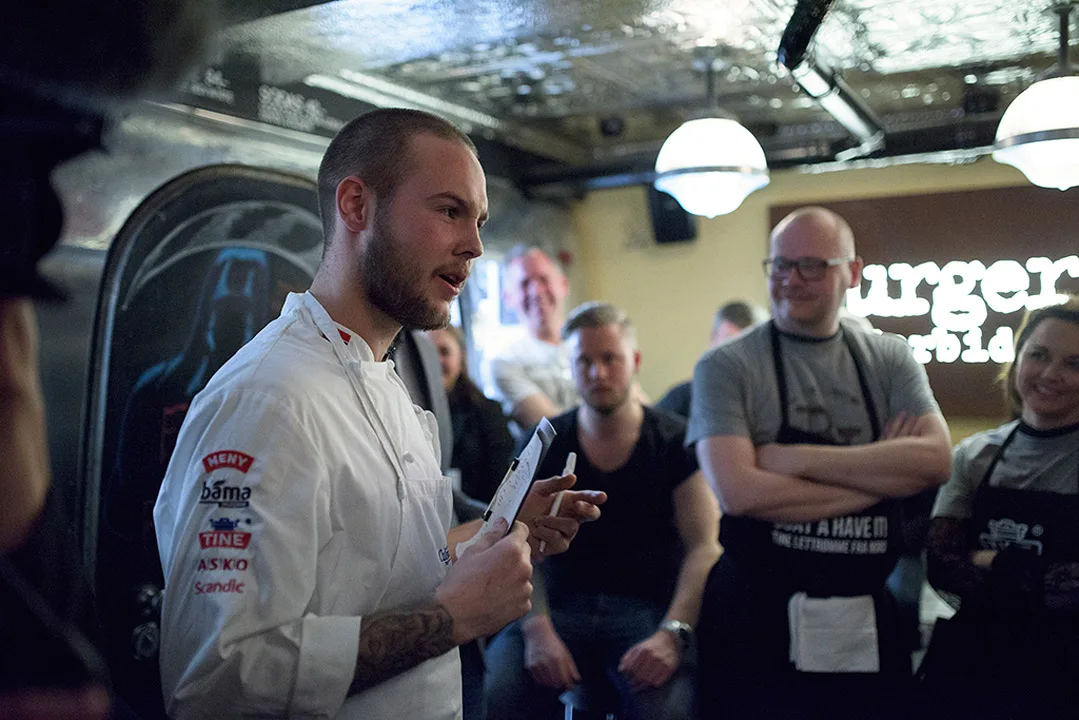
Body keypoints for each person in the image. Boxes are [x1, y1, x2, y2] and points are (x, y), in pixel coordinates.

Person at [153, 108, 605, 719]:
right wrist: (452, 618)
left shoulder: (385, 385)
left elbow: (384, 574)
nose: (473, 246)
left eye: (477, 221)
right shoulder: (267, 400)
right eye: (449, 211)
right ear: (356, 206)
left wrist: (498, 530)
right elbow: (216, 680)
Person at [688, 206, 952, 719]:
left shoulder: (890, 358)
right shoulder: (727, 365)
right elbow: (740, 493)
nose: (792, 280)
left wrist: (793, 459)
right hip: (754, 613)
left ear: (852, 272)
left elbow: (937, 462)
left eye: (812, 265)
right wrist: (882, 479)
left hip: (864, 609)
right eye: (781, 265)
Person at [486, 302, 721, 720]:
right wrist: (537, 629)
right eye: (584, 361)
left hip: (645, 613)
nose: (598, 372)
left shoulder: (674, 441)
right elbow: (511, 538)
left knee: (669, 711)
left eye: (610, 358)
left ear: (635, 361)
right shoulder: (544, 442)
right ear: (571, 367)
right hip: (555, 606)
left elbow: (704, 547)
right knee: (497, 694)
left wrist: (672, 634)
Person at [920, 296, 1079, 718]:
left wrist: (990, 561)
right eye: (1038, 355)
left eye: (1073, 364)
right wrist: (1041, 573)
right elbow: (941, 566)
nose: (1051, 374)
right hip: (974, 673)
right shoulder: (974, 455)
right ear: (1018, 357)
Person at [490, 246, 578, 430]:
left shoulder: (588, 345)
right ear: (507, 297)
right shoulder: (505, 362)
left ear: (564, 285)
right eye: (524, 283)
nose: (536, 291)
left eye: (544, 279)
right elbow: (551, 430)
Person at [427, 325, 514, 504]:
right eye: (428, 353)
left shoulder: (489, 413)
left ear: (462, 358)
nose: (435, 361)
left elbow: (502, 486)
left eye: (444, 352)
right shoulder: (403, 413)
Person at [656, 300, 765, 418]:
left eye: (749, 347)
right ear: (713, 340)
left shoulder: (771, 401)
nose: (739, 357)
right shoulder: (680, 400)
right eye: (730, 345)